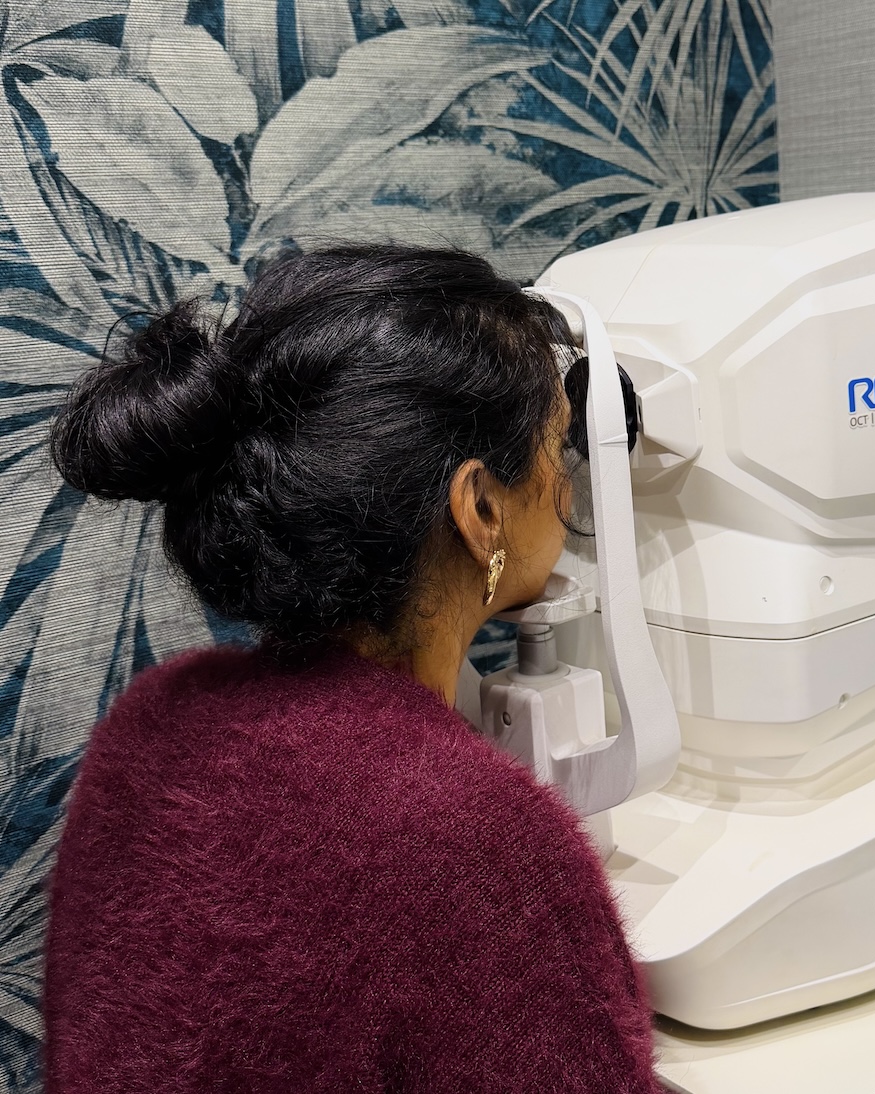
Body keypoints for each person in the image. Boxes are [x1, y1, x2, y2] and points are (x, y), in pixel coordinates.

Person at [43, 244, 660, 1092]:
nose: (569, 481)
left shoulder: (149, 725)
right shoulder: (475, 841)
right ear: (480, 509)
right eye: (561, 444)